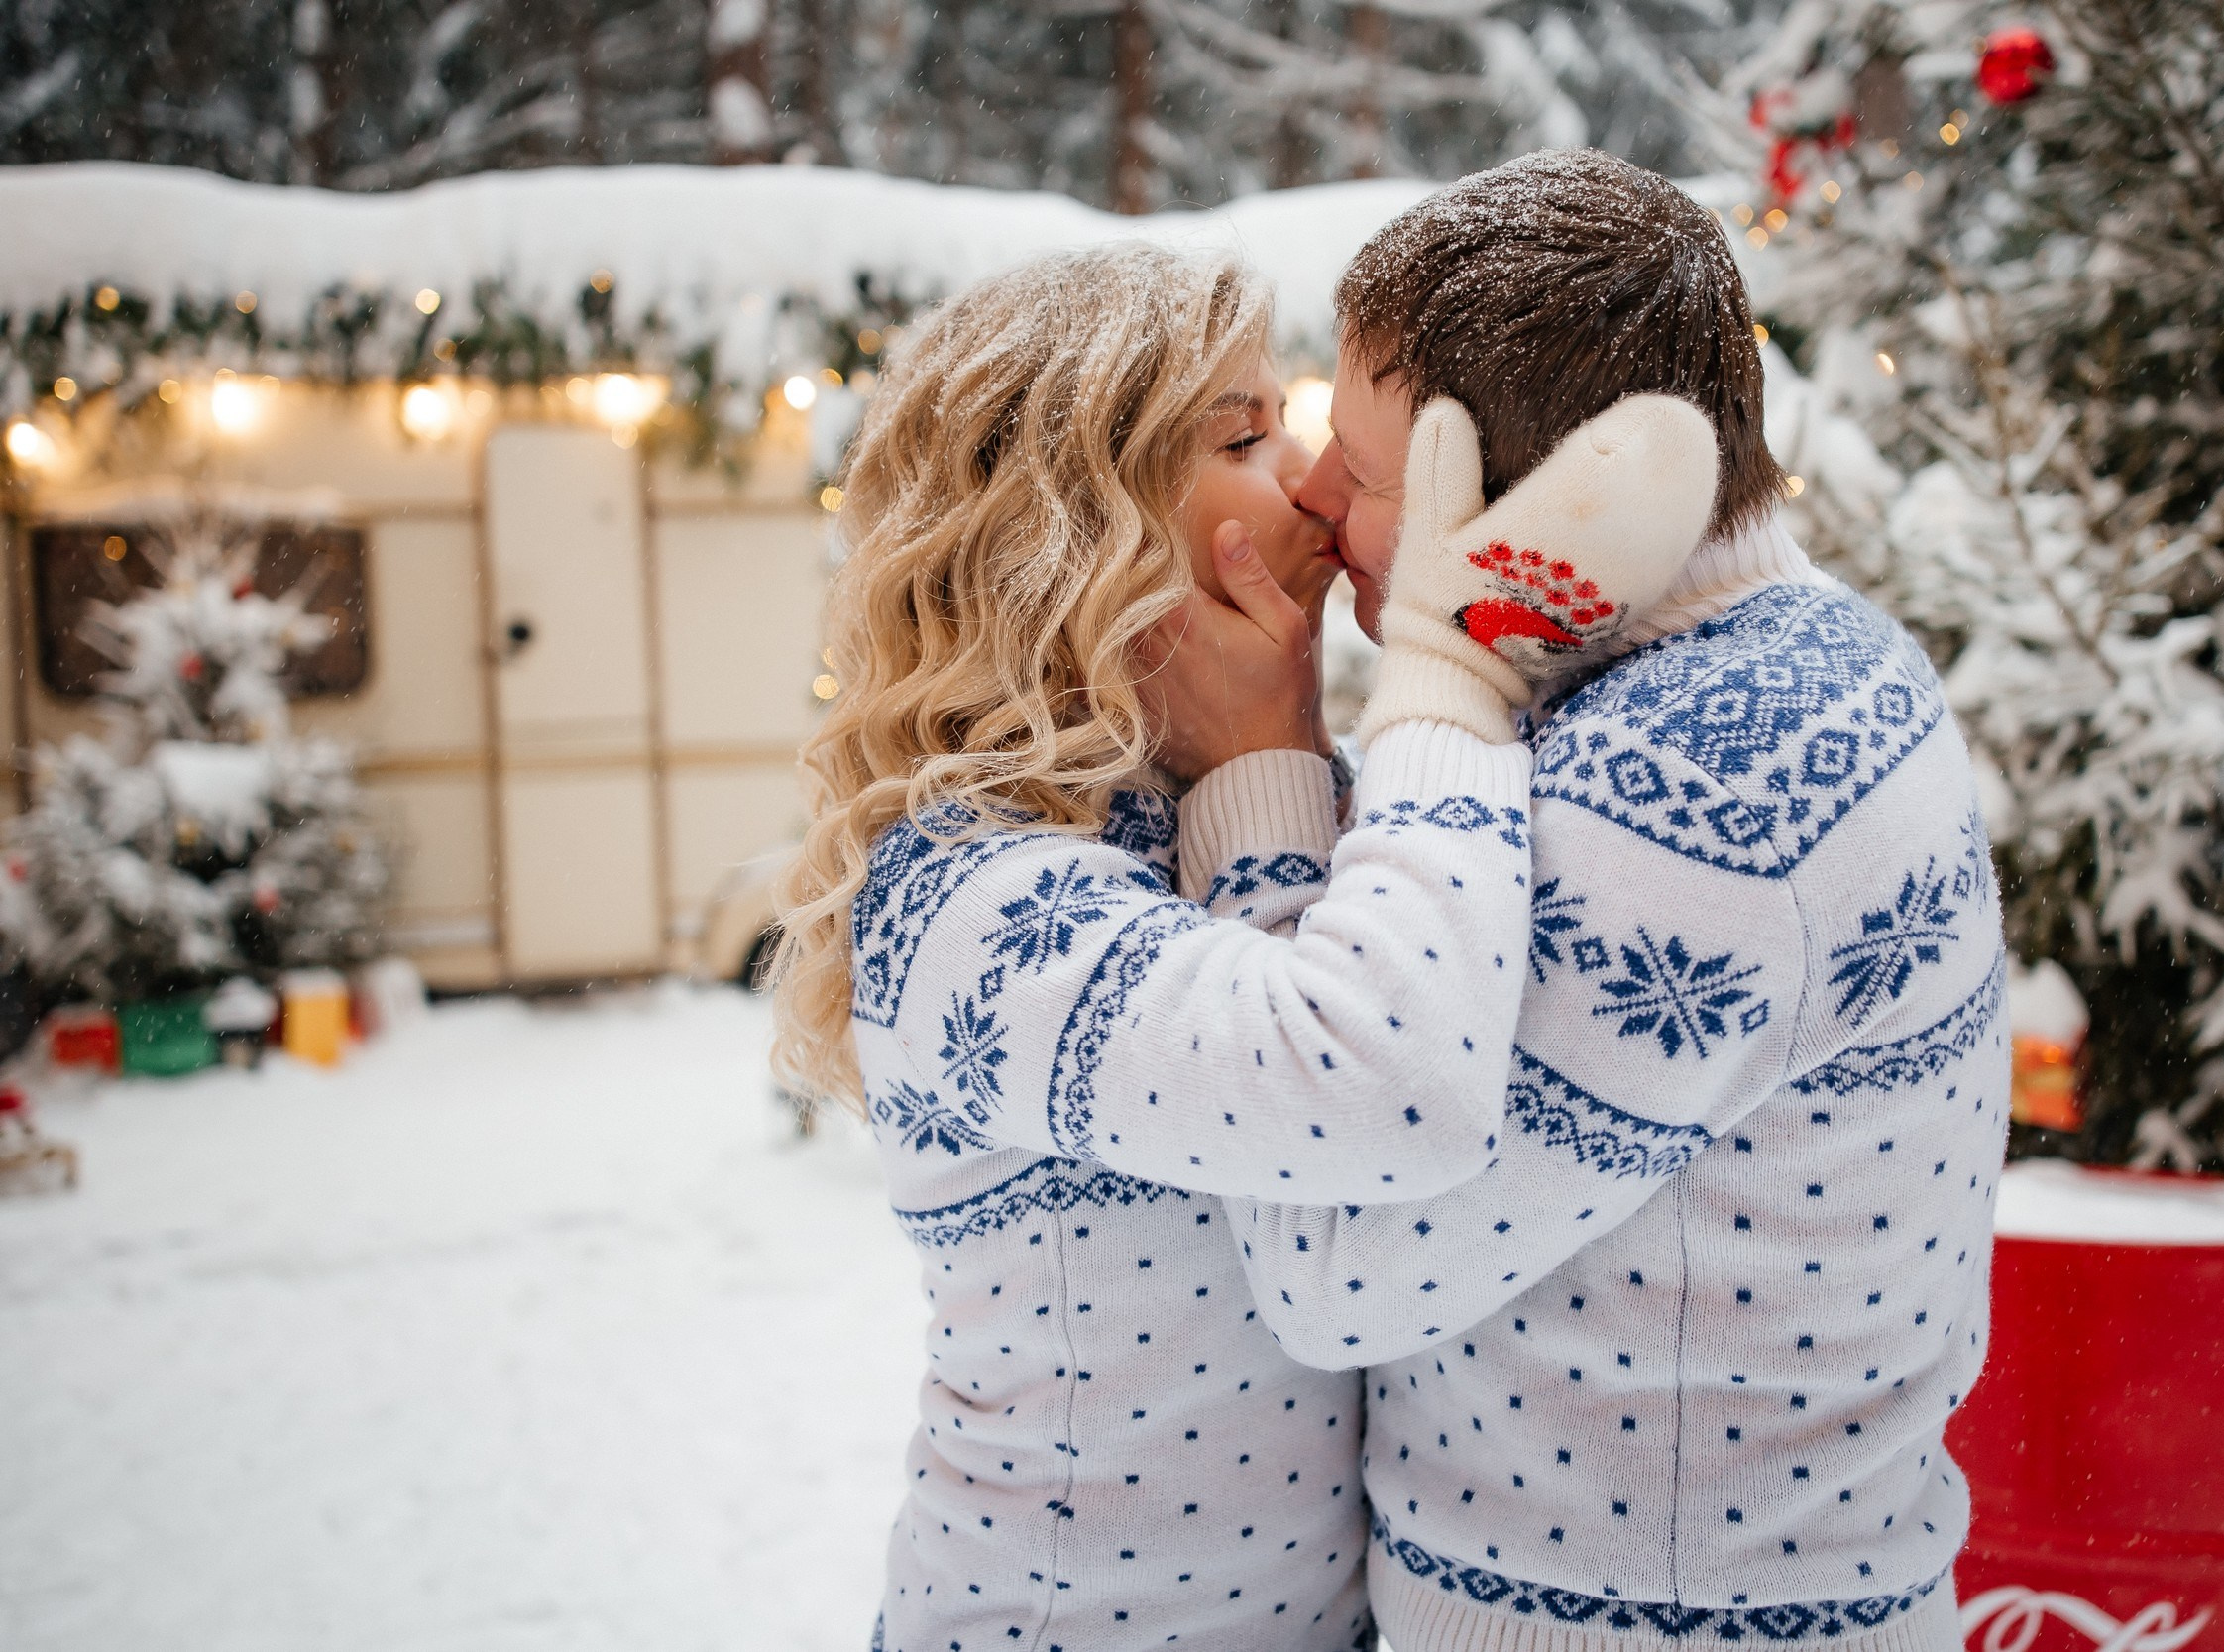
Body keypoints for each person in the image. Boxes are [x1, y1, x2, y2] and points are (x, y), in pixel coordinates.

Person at [765, 242, 1722, 1651]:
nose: (1310, 472)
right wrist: (1284, 748)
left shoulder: (1260, 801)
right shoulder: (967, 900)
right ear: (1070, 521)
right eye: (1245, 432)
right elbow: (1380, 1096)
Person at [1196, 150, 2006, 1652]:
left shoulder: (1686, 808)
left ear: (1543, 511)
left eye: (1371, 476)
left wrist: (1257, 780)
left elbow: (1332, 1272)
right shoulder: (1810, 660)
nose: (1310, 495)